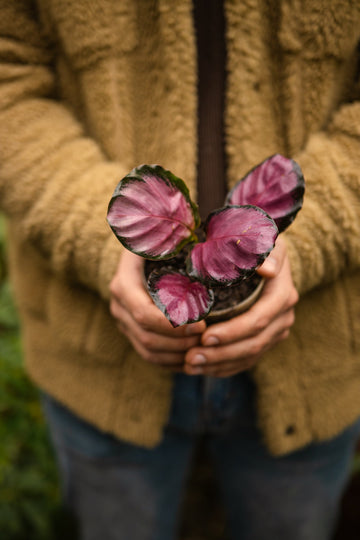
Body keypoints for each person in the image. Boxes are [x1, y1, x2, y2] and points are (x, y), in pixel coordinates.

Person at [1, 1, 360, 539]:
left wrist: (301, 246)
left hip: (316, 354)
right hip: (97, 358)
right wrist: (104, 241)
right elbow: (11, 85)